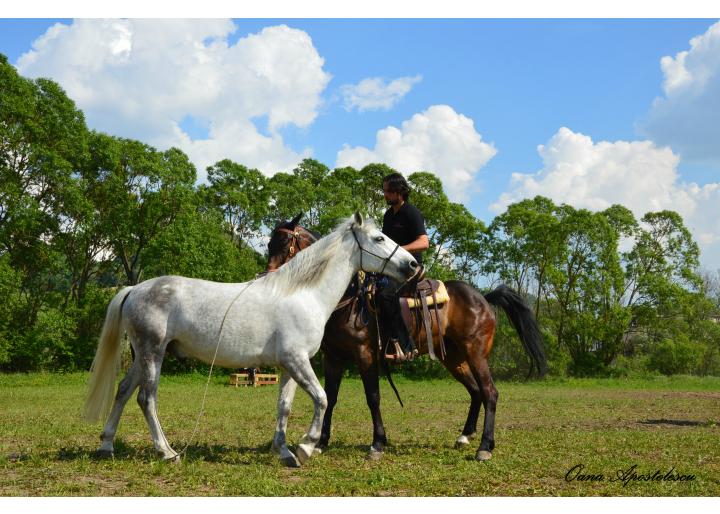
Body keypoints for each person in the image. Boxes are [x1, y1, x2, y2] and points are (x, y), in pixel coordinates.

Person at [376, 172, 429, 362]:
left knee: (385, 294)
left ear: (400, 192)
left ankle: (406, 345)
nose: (385, 194)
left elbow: (424, 242)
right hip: (391, 267)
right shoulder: (388, 215)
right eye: (384, 190)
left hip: (411, 267)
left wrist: (399, 250)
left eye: (388, 191)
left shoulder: (411, 212)